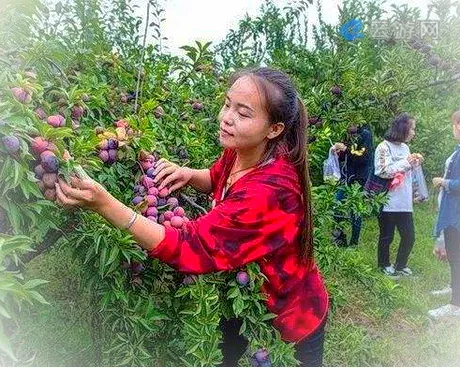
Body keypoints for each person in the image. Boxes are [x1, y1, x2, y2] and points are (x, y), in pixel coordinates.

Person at [55, 67, 329, 366]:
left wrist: (104, 203)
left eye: (243, 113)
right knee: (228, 355)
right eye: (227, 104)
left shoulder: (270, 191)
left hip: (291, 313)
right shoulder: (245, 150)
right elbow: (217, 177)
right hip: (244, 291)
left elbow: (188, 246)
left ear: (274, 129)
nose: (227, 117)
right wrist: (188, 174)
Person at [373, 113, 423, 278]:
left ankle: (400, 265)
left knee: (409, 237)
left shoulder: (405, 148)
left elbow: (407, 173)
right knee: (387, 236)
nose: (413, 132)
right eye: (412, 128)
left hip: (404, 202)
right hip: (387, 200)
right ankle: (384, 265)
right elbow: (382, 170)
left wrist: (414, 163)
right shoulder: (383, 147)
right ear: (403, 128)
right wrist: (407, 162)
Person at [429, 110, 460, 318]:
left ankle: (455, 305)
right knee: (453, 255)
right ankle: (454, 287)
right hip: (451, 211)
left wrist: (443, 182)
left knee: (457, 257)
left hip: (456, 214)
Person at [331, 124, 374, 247]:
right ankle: (339, 238)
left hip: (358, 179)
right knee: (337, 205)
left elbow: (362, 157)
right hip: (346, 177)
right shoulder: (347, 134)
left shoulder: (365, 134)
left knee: (355, 210)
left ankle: (354, 243)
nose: (348, 126)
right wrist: (338, 152)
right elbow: (346, 157)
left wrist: (345, 149)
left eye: (351, 123)